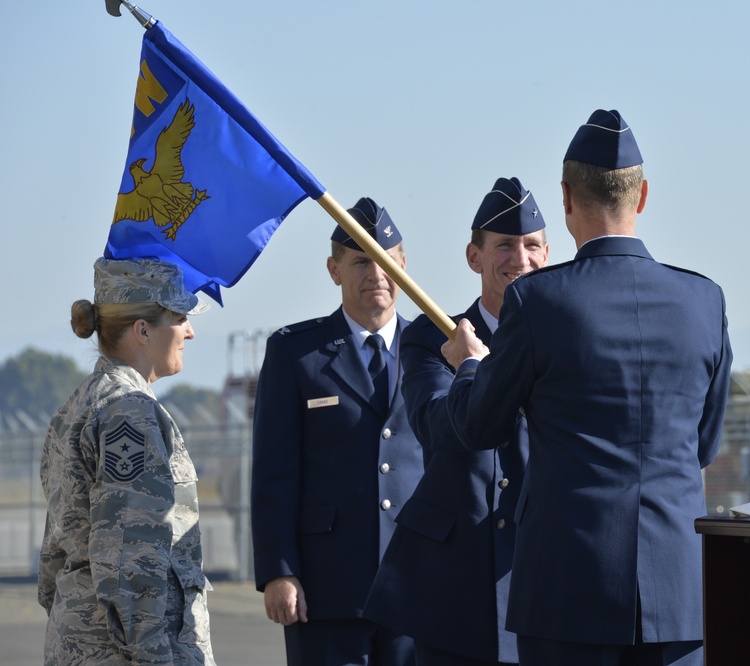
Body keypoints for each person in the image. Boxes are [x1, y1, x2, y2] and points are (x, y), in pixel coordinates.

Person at [441, 110, 733, 666]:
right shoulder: (704, 300)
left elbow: (481, 426)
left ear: (567, 198)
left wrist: (470, 365)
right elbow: (704, 444)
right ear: (642, 195)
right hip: (678, 590)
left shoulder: (538, 300)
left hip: (568, 590)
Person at [364, 177, 549, 665]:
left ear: (547, 254)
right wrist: (470, 365)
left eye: (531, 246)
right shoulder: (432, 337)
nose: (520, 258)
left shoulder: (563, 336)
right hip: (454, 581)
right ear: (475, 257)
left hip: (536, 572)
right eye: (504, 246)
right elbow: (437, 424)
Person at [251, 197, 425, 666]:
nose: (376, 274)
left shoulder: (435, 351)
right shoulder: (297, 354)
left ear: (403, 265)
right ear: (334, 270)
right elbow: (274, 472)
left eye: (387, 261)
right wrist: (278, 571)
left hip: (417, 587)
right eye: (360, 261)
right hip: (326, 590)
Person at [37, 257, 216, 665]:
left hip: (84, 639)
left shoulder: (77, 405)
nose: (190, 331)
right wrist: (154, 655)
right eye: (179, 317)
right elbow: (131, 553)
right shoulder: (128, 410)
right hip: (128, 651)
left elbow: (54, 555)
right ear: (143, 330)